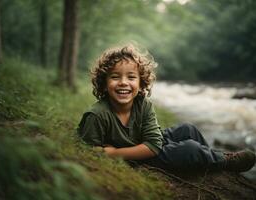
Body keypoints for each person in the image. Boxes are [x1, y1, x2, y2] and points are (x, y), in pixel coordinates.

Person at [77, 43, 256, 173]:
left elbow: (154, 141)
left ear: (140, 83)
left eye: (131, 77)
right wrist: (115, 154)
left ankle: (210, 161)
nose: (123, 82)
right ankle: (222, 161)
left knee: (188, 129)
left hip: (145, 144)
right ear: (104, 82)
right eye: (115, 77)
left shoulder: (143, 104)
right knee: (189, 149)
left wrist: (114, 152)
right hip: (140, 156)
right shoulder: (97, 115)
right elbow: (87, 149)